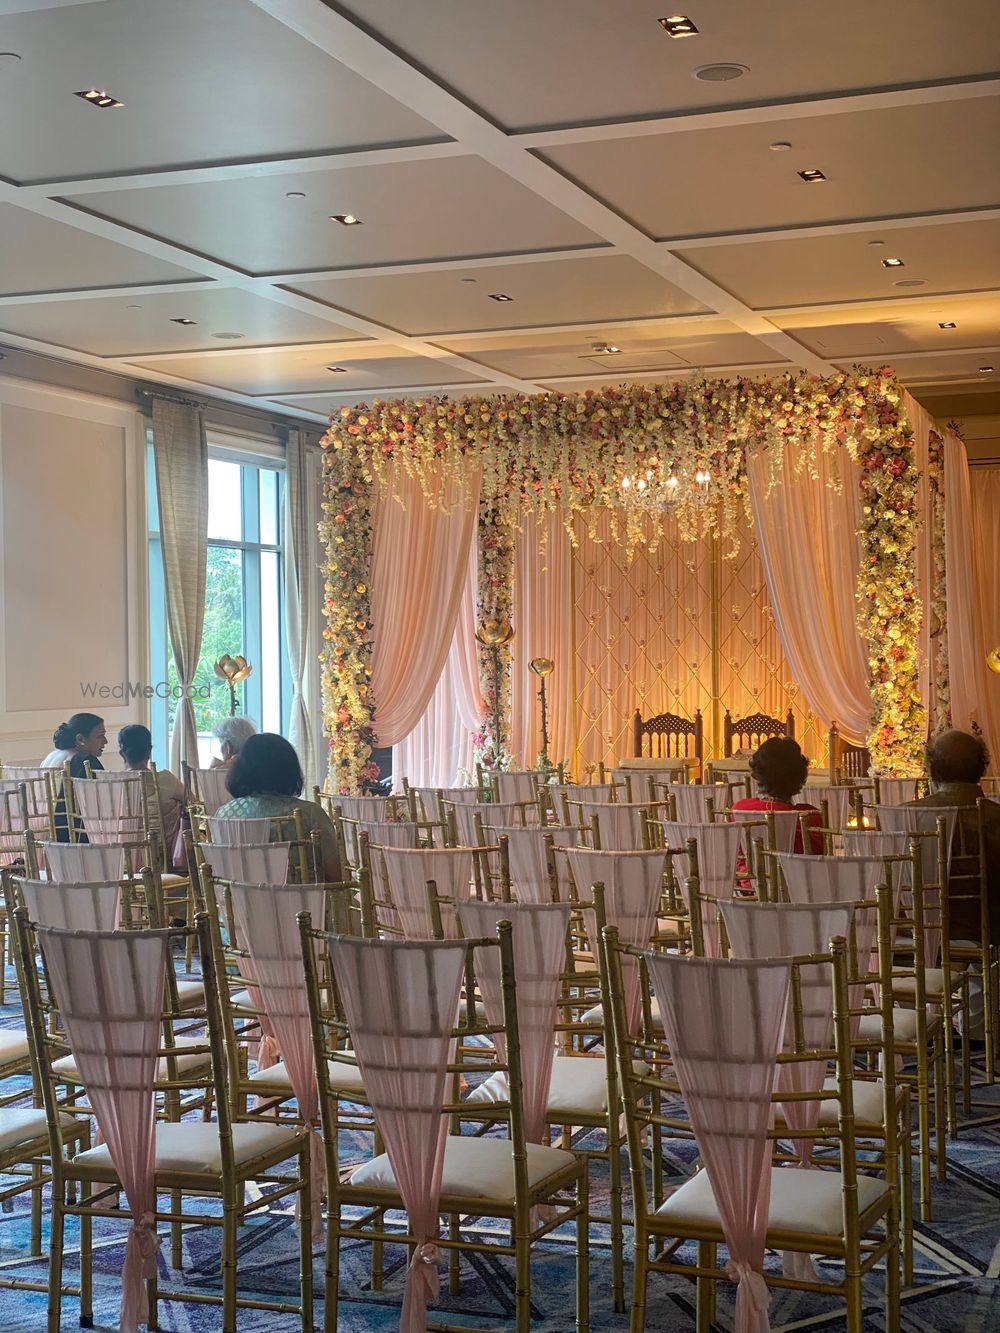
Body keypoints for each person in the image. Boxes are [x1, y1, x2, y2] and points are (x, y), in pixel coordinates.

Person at [905, 729, 1000, 1042]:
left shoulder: (905, 817)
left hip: (916, 933)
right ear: (981, 768)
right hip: (987, 933)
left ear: (932, 768)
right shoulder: (994, 817)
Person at [214, 733, 341, 881]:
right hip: (303, 902)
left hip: (240, 902)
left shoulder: (223, 814)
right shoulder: (310, 814)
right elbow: (336, 873)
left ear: (241, 769)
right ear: (289, 770)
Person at [732, 736, 823, 854]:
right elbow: (816, 859)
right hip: (793, 872)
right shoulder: (809, 816)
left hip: (749, 872)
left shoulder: (739, 809)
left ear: (758, 772)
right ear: (799, 775)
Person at [117, 723, 186, 867]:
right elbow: (193, 803)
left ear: (122, 753)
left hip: (122, 857)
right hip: (162, 857)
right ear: (149, 751)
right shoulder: (166, 780)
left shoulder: (111, 784)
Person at [41, 713, 107, 841]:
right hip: (75, 835)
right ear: (81, 739)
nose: (105, 741)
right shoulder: (85, 761)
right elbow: (103, 802)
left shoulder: (52, 756)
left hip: (47, 832)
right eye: (100, 736)